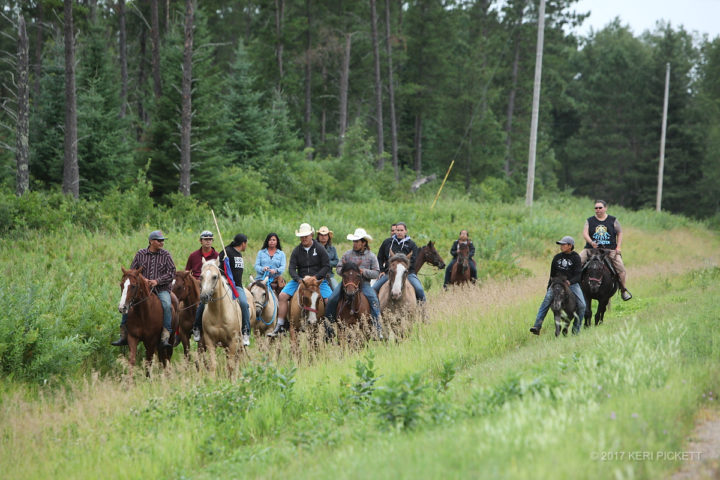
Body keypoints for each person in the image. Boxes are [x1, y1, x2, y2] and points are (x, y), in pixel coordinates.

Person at [112, 230, 175, 348]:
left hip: (161, 288)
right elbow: (132, 272)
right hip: (141, 289)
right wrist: (144, 280)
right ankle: (123, 333)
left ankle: (166, 334)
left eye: (162, 241)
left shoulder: (166, 255)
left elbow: (172, 272)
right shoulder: (140, 254)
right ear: (151, 241)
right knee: (127, 302)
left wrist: (157, 281)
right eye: (159, 240)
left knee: (167, 305)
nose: (162, 243)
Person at [267, 223, 332, 337]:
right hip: (301, 280)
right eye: (302, 236)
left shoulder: (320, 248)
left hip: (317, 281)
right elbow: (291, 268)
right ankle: (281, 324)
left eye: (306, 236)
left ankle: (329, 326)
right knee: (282, 296)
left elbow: (326, 266)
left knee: (329, 300)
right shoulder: (296, 250)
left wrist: (316, 278)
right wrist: (298, 279)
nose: (304, 238)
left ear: (311, 235)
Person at [325, 228, 383, 337]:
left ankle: (377, 328)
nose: (355, 244)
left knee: (374, 300)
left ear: (363, 242)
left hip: (364, 284)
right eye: (354, 241)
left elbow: (376, 273)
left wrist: (363, 272)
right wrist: (345, 272)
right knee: (332, 299)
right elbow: (338, 268)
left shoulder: (371, 256)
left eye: (357, 241)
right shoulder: (347, 254)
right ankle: (329, 329)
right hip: (346, 283)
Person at [529, 236, 586, 335]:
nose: (561, 246)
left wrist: (570, 282)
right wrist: (549, 287)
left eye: (564, 244)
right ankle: (537, 326)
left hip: (571, 284)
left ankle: (576, 330)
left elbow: (578, 275)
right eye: (561, 244)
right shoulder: (557, 258)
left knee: (582, 305)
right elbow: (552, 275)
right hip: (556, 284)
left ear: (570, 246)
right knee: (546, 301)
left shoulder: (576, 257)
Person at [580, 199, 632, 301]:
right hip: (591, 249)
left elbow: (620, 232)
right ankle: (572, 287)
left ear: (605, 208)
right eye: (596, 208)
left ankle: (623, 290)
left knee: (621, 269)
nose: (598, 210)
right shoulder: (589, 220)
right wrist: (591, 242)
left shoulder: (613, 220)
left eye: (600, 208)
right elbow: (585, 233)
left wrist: (618, 247)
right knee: (577, 261)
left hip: (609, 250)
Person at [373, 222, 426, 302]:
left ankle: (422, 312)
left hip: (408, 274)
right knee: (373, 289)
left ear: (406, 231)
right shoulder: (387, 242)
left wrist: (403, 269)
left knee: (419, 290)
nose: (399, 232)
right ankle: (374, 311)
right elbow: (380, 257)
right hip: (390, 272)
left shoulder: (412, 244)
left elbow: (413, 260)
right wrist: (382, 270)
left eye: (401, 230)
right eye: (397, 230)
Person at [217, 233, 252, 346]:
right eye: (246, 243)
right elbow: (219, 268)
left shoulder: (239, 255)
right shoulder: (226, 251)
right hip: (226, 285)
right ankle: (199, 327)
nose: (246, 246)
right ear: (243, 243)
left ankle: (246, 331)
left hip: (238, 286)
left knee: (244, 304)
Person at [187, 230, 219, 343]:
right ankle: (177, 329)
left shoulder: (217, 256)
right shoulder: (193, 256)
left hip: (210, 284)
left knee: (203, 302)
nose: (208, 241)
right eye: (205, 239)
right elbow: (187, 272)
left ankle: (200, 326)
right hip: (195, 282)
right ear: (200, 241)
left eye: (210, 239)